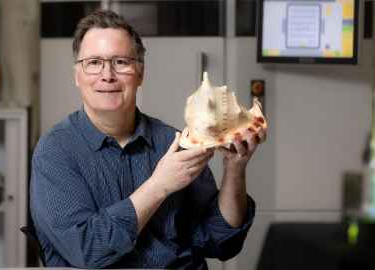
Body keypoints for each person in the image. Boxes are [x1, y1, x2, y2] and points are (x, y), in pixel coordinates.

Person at [31, 9, 266, 269]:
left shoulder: (172, 140)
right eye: (94, 62)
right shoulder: (55, 152)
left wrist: (235, 168)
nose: (107, 75)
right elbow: (87, 250)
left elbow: (220, 242)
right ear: (77, 75)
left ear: (140, 73)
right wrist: (159, 185)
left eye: (120, 62)